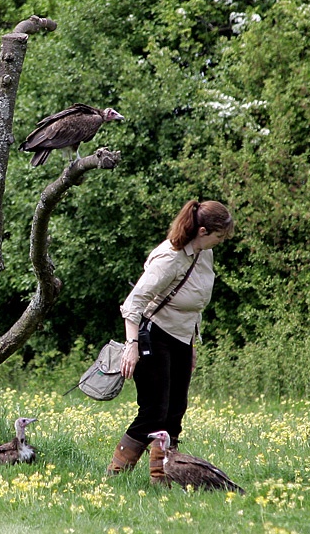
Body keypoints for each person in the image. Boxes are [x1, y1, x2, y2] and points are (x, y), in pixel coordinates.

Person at [107, 199, 234, 485]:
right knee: (155, 410)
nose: (221, 241)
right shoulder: (170, 257)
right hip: (153, 335)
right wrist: (132, 347)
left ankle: (163, 477)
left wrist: (190, 345)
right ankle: (115, 476)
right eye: (219, 235)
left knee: (176, 409)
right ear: (202, 230)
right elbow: (133, 303)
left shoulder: (205, 253)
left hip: (180, 337)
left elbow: (195, 303)